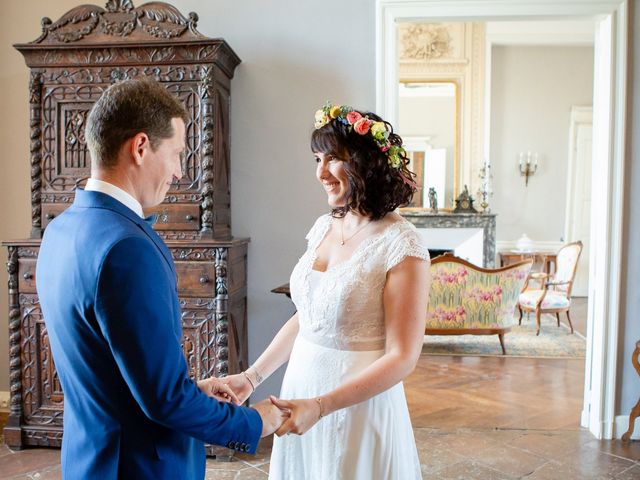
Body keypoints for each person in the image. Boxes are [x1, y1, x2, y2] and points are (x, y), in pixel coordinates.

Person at [35, 80, 287, 479]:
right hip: (138, 467)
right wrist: (256, 422)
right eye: (176, 154)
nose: (179, 171)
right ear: (140, 147)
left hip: (89, 460)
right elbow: (164, 401)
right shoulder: (127, 247)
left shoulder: (60, 230)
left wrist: (194, 392)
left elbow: (114, 372)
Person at [221, 103, 432, 478]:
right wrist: (251, 377)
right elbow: (310, 317)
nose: (320, 173)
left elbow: (403, 356)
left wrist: (322, 406)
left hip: (357, 403)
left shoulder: (402, 243)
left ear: (367, 163)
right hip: (301, 390)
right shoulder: (323, 227)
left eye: (333, 159)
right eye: (317, 159)